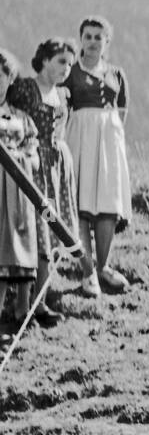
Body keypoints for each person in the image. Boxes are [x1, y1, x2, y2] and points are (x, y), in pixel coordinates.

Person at [6, 38, 78, 326]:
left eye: (70, 64)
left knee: (51, 232)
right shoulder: (25, 88)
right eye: (61, 61)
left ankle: (41, 302)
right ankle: (20, 304)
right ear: (45, 60)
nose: (66, 68)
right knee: (32, 235)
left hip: (57, 170)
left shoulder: (63, 94)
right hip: (30, 167)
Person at [65, 16, 132, 297]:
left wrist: (111, 135)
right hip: (79, 137)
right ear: (81, 39)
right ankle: (87, 270)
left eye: (98, 37)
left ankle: (104, 266)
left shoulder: (116, 73)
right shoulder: (71, 71)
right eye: (88, 36)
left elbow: (123, 109)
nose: (92, 41)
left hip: (109, 142)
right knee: (80, 201)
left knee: (107, 204)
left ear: (107, 42)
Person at [0, 49, 40, 349]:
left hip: (18, 189)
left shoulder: (20, 118)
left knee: (22, 240)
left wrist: (23, 159)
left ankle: (22, 309)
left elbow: (33, 150)